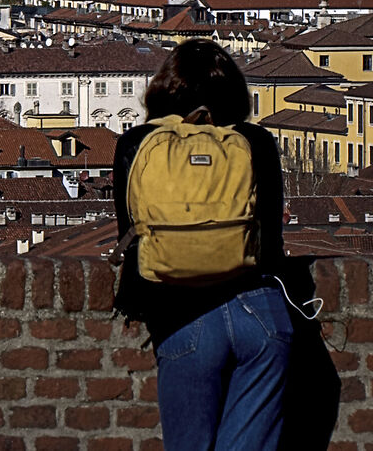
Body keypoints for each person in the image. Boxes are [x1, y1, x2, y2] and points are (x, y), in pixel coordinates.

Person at [112, 40, 293, 451]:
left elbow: (133, 237)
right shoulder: (256, 141)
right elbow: (271, 239)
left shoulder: (137, 144)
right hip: (260, 314)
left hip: (182, 315)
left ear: (163, 90)